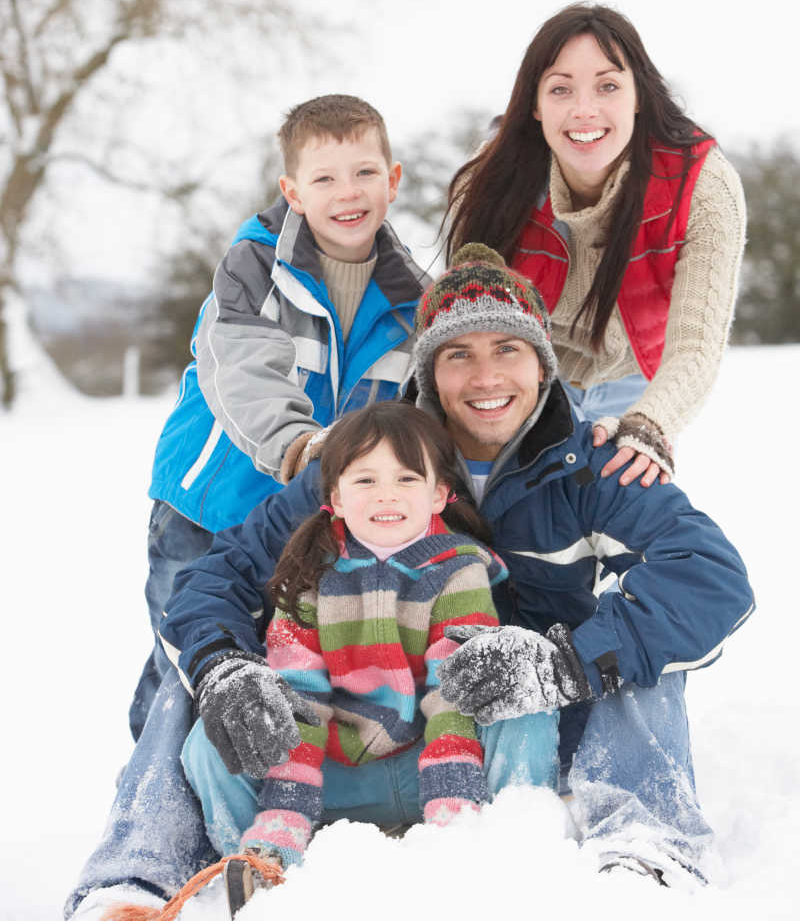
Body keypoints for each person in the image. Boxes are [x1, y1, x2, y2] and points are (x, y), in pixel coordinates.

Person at [67, 246, 753, 915]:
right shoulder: (368, 463)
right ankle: (138, 873)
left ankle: (644, 850)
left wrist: (565, 663)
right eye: (459, 355)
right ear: (429, 371)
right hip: (359, 729)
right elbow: (217, 577)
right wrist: (223, 668)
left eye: (508, 349)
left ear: (542, 365)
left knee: (643, 645)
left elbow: (713, 579)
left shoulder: (593, 468)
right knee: (201, 664)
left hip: (519, 730)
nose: (486, 376)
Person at [171, 403, 557, 913]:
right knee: (212, 737)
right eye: (365, 479)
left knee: (519, 702)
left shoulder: (459, 571)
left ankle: (506, 851)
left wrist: (453, 820)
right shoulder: (309, 575)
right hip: (333, 779)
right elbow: (300, 701)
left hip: (433, 771)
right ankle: (263, 862)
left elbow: (455, 696)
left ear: (439, 493)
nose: (386, 494)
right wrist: (286, 814)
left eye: (407, 478)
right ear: (335, 496)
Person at [131, 93, 429, 738]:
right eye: (324, 178)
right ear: (292, 191)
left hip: (301, 523)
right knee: (187, 665)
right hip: (208, 507)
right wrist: (301, 446)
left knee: (268, 671)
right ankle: (153, 788)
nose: (347, 193)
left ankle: (243, 785)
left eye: (364, 172)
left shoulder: (413, 301)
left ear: (393, 179)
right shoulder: (254, 266)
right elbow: (243, 370)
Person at [446, 3, 746, 489]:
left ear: (638, 96)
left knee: (622, 505)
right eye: (561, 89)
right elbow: (464, 321)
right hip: (526, 378)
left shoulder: (702, 185)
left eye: (607, 86)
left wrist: (649, 425)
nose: (584, 110)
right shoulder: (490, 181)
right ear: (535, 105)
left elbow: (696, 345)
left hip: (636, 381)